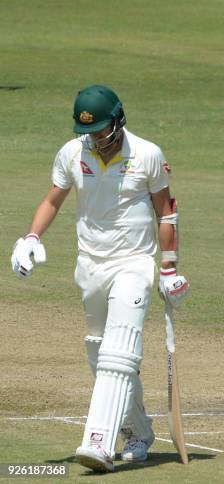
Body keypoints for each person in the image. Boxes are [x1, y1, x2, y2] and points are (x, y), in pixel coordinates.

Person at [10, 85, 190, 472]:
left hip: (134, 263)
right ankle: (139, 431)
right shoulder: (72, 154)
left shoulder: (147, 154)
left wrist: (170, 268)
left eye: (101, 130)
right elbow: (52, 200)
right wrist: (30, 238)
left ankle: (98, 443)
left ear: (119, 120)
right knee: (100, 351)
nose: (95, 138)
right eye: (88, 131)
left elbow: (167, 213)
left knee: (119, 351)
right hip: (90, 264)